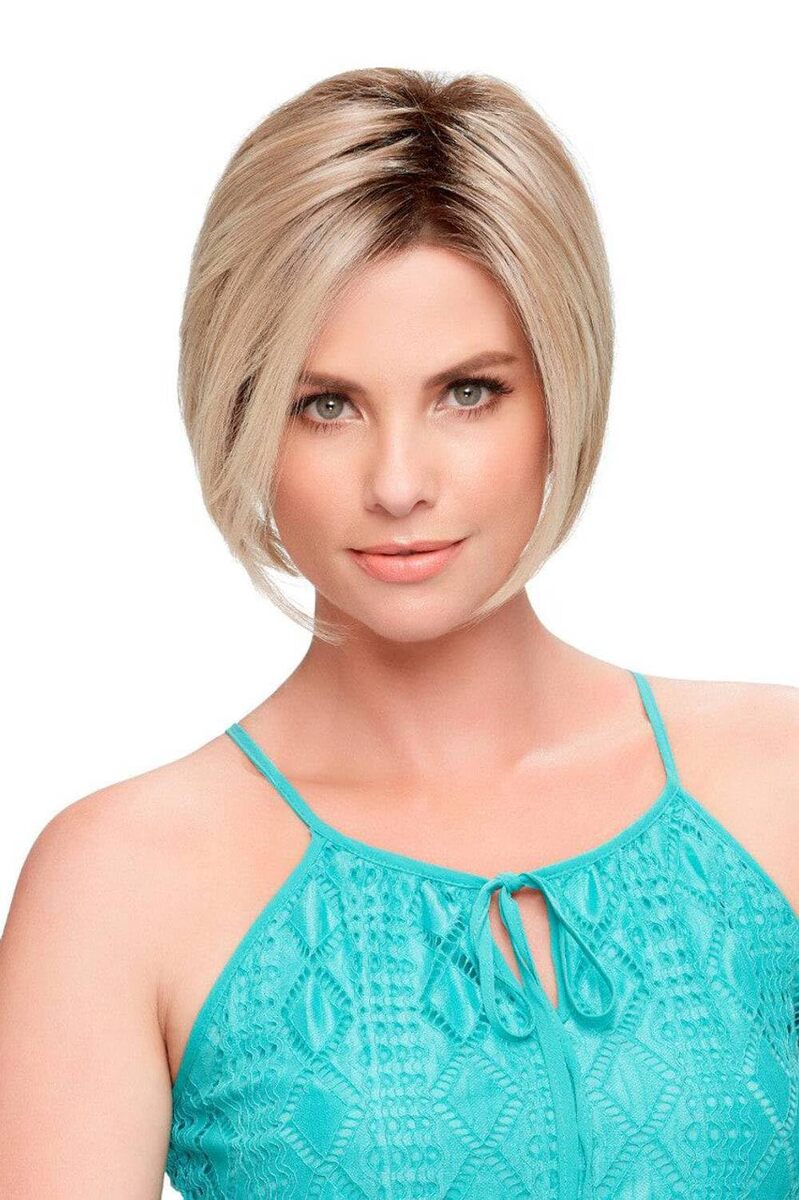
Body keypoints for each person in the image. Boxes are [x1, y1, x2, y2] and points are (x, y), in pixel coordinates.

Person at [1, 66, 797, 1200]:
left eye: (467, 392)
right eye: (324, 404)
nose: (397, 483)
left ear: (562, 391)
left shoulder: (776, 783)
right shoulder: (120, 880)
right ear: (241, 417)